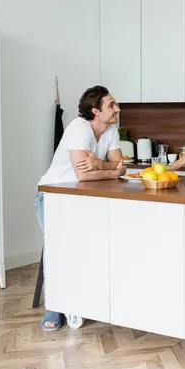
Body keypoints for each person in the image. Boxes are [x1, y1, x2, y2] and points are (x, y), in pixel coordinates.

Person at [34, 85, 126, 331]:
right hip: (52, 196)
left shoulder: (111, 129)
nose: (117, 108)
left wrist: (99, 164)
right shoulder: (79, 129)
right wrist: (110, 169)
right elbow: (84, 176)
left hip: (82, 197)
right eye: (111, 105)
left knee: (92, 244)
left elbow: (122, 167)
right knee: (59, 246)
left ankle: (83, 298)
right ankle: (54, 305)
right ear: (95, 111)